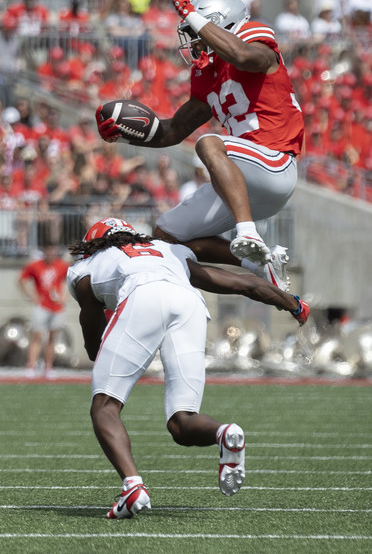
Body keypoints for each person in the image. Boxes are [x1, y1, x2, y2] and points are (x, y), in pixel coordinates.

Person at [67, 217, 309, 519]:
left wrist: (97, 353)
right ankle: (224, 433)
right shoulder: (166, 249)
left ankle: (132, 486)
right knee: (182, 422)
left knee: (105, 406)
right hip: (189, 304)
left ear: (92, 245)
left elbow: (91, 326)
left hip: (142, 296)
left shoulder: (85, 266)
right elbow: (237, 283)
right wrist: (292, 303)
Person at [95, 0, 305, 292]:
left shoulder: (255, 37)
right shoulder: (206, 75)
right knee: (167, 234)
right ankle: (261, 265)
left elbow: (244, 57)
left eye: (194, 34)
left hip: (274, 163)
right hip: (239, 180)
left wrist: (192, 13)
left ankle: (247, 233)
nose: (192, 44)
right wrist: (124, 134)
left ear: (218, 22)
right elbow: (171, 131)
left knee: (209, 143)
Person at [18, 243, 70, 378]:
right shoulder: (36, 265)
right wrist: (30, 295)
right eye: (48, 249)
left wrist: (65, 297)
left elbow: (72, 281)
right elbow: (22, 279)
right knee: (36, 335)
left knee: (52, 337)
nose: (51, 253)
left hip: (56, 306)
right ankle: (31, 366)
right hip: (41, 305)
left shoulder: (61, 265)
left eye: (53, 250)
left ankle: (48, 367)